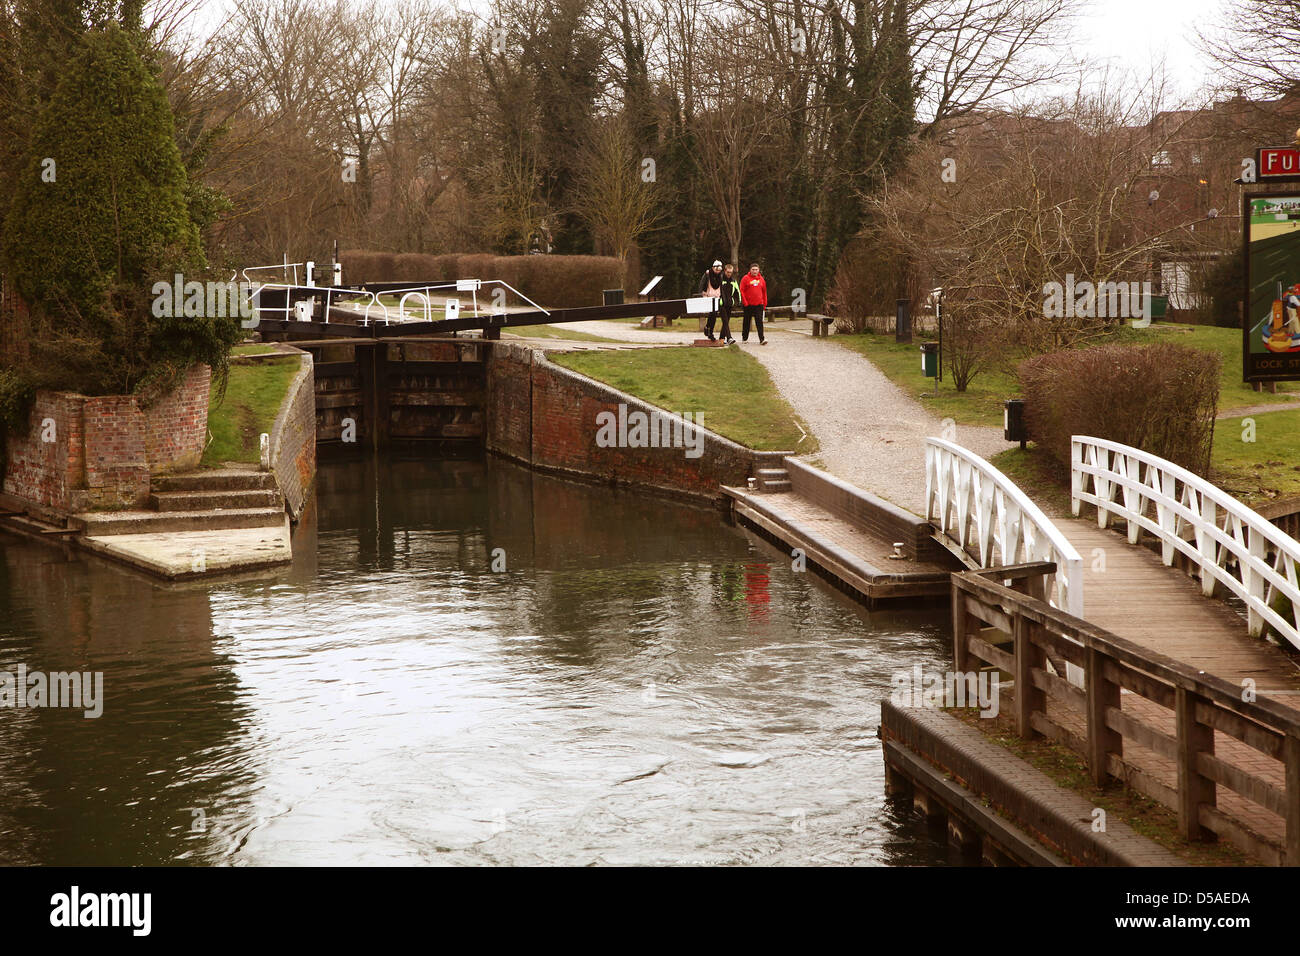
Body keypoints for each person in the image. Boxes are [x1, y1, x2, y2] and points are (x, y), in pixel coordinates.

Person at [740, 262, 767, 344]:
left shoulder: (761, 279)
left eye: (756, 270)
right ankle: (745, 338)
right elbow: (742, 290)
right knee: (746, 322)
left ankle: (762, 339)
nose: (755, 271)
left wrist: (764, 303)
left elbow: (764, 292)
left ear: (759, 270)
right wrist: (745, 302)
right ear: (750, 270)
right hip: (748, 304)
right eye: (753, 269)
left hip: (759, 304)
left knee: (759, 322)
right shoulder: (745, 278)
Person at [699, 260, 724, 340]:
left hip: (717, 297)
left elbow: (721, 286)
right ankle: (709, 331)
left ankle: (709, 330)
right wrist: (702, 294)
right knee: (712, 314)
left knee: (713, 315)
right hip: (708, 296)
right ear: (713, 268)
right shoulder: (707, 274)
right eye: (716, 270)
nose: (718, 271)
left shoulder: (721, 276)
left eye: (719, 270)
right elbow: (702, 284)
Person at [718, 263, 739, 345]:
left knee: (725, 322)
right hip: (721, 304)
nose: (729, 274)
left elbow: (737, 293)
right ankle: (729, 337)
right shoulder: (720, 280)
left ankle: (721, 339)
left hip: (730, 304)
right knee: (725, 321)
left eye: (730, 272)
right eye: (728, 272)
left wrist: (738, 302)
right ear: (725, 271)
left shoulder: (734, 281)